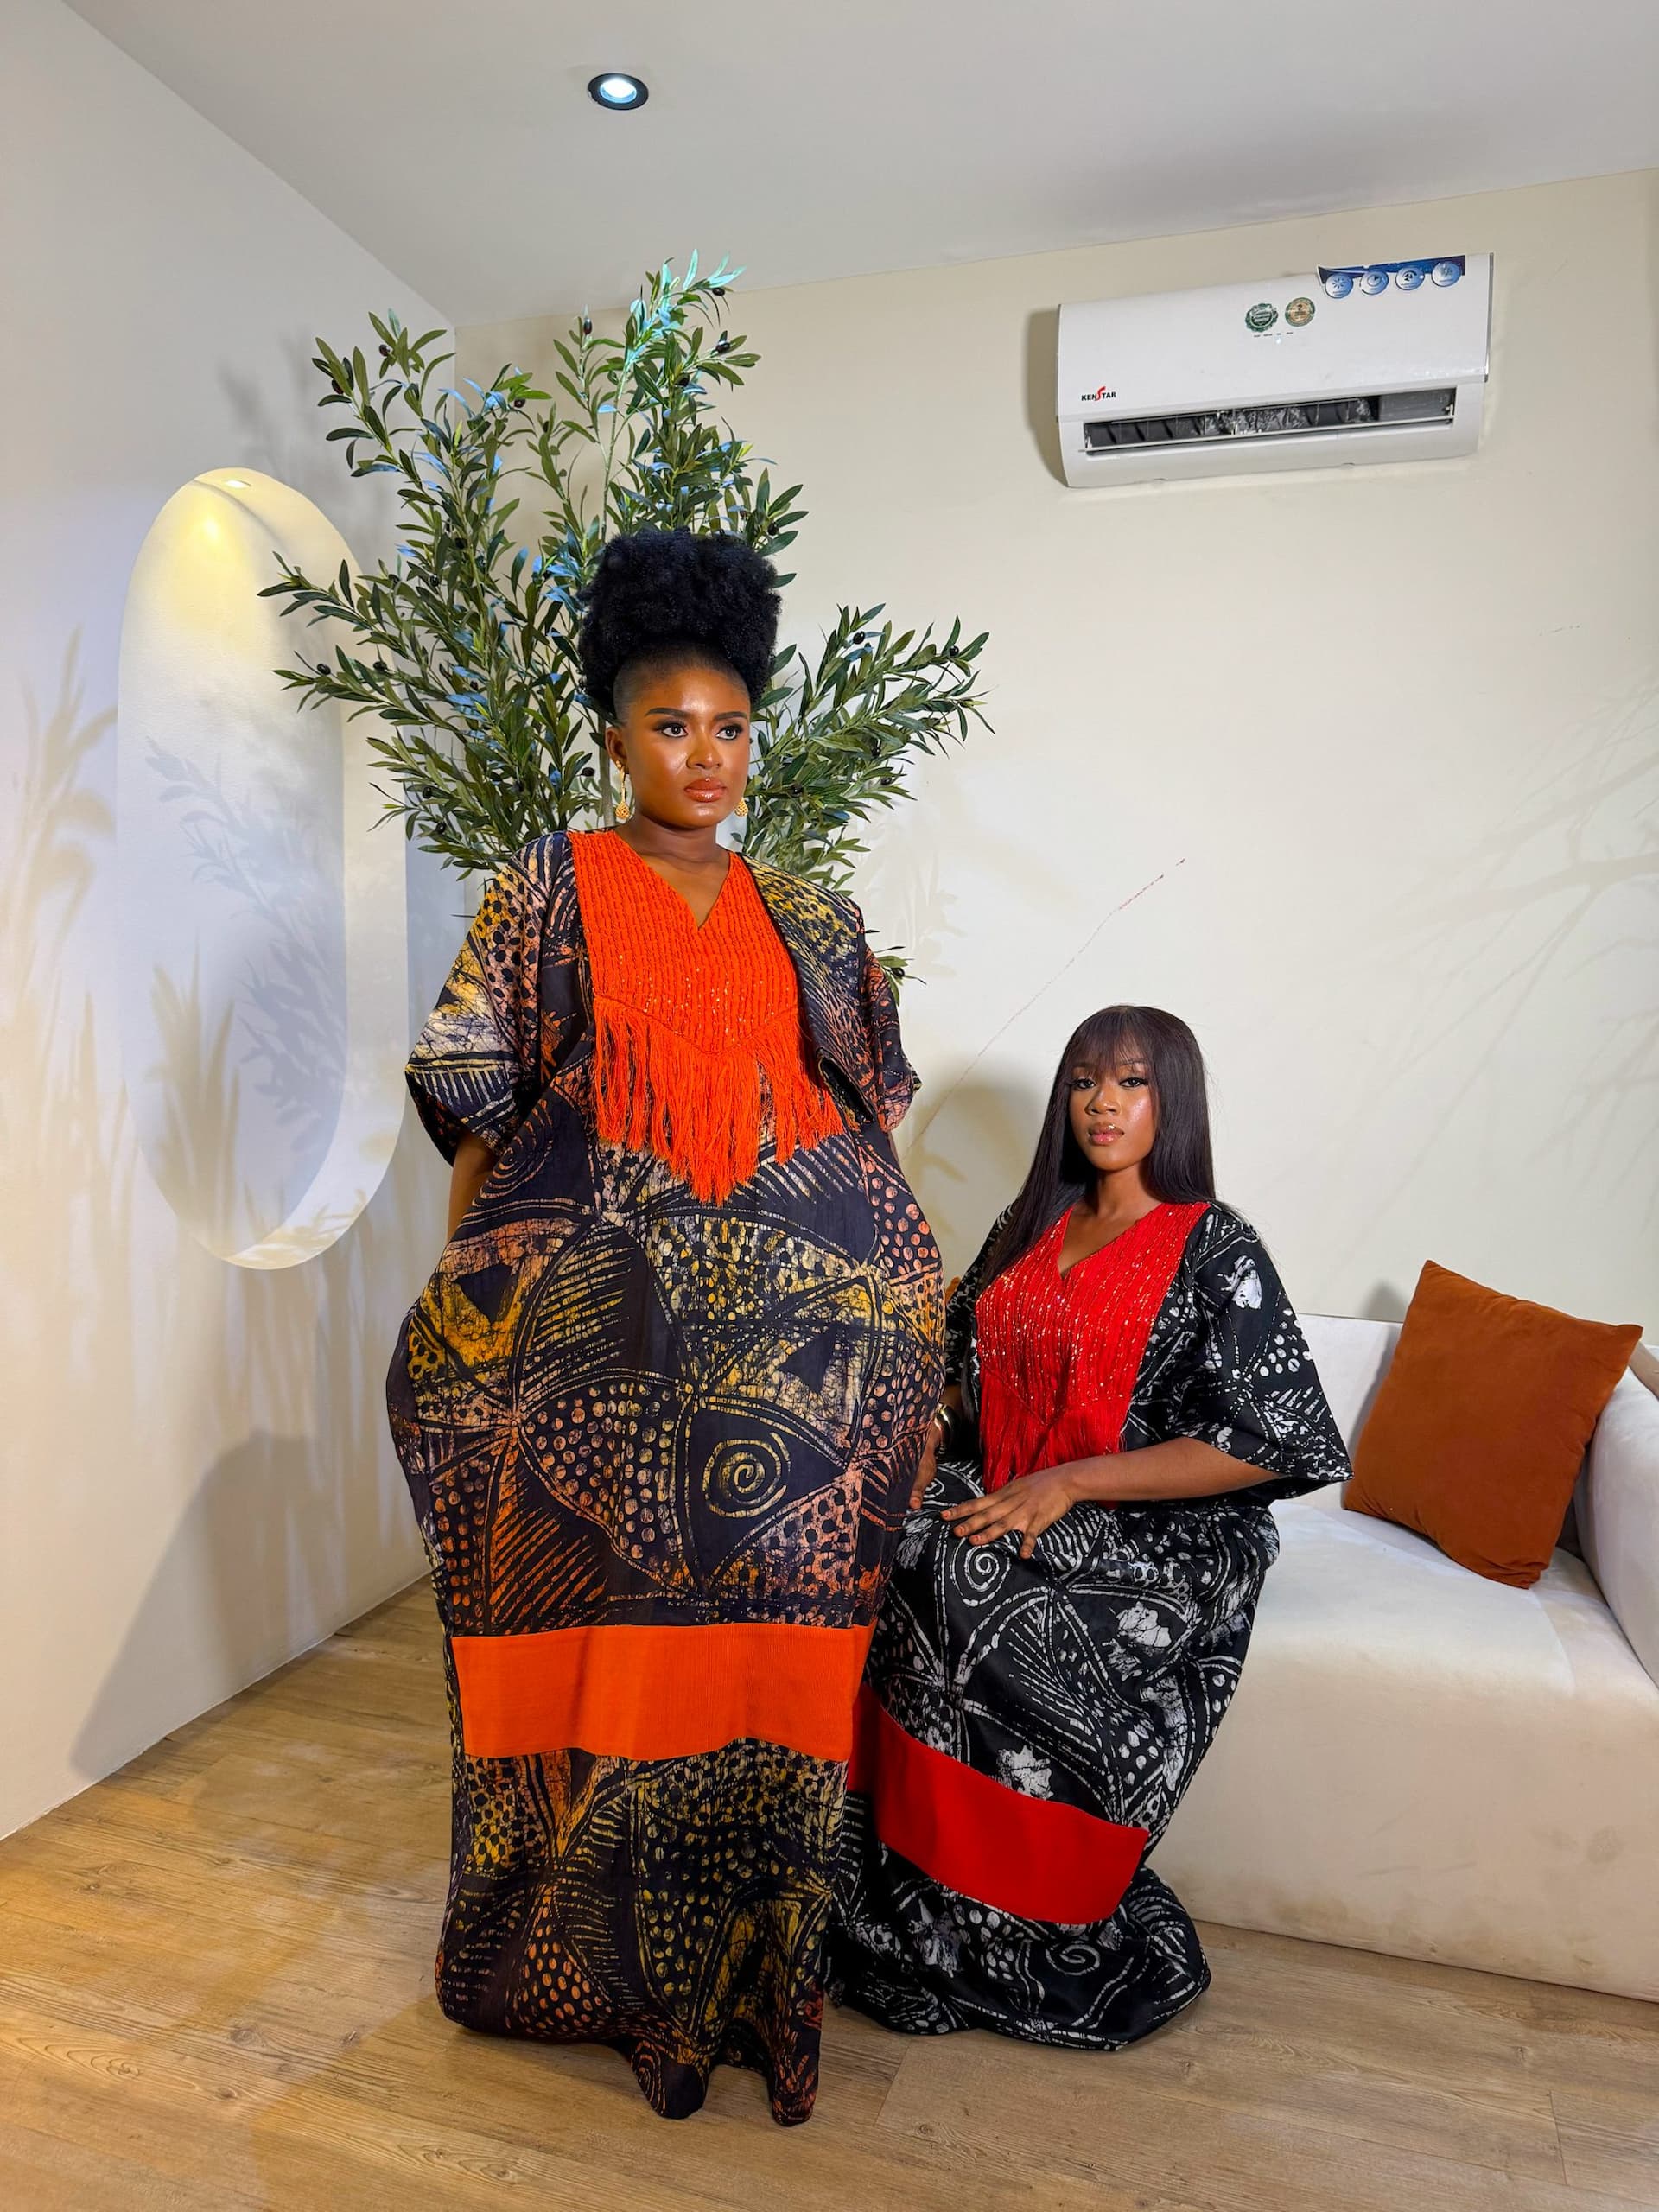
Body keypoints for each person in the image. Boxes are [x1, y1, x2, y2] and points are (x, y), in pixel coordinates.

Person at [386, 527, 943, 2124]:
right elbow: (483, 1109)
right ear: (615, 738)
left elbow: (867, 1131)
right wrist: (466, 1300)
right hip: (604, 1369)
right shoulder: (544, 887)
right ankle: (590, 1973)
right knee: (605, 1666)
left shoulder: (816, 916)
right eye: (671, 725)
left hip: (791, 1394)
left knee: (773, 1675)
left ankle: (758, 1987)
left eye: (732, 727)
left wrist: (897, 1299)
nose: (707, 757)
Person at [832, 1005, 1348, 2048]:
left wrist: (1073, 1481)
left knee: (967, 1581)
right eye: (1084, 1081)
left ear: (1172, 1100)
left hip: (1154, 1530)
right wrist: (926, 1430)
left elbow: (1274, 1437)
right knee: (868, 1532)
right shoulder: (1029, 1223)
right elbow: (961, 1372)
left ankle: (1019, 1917)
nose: (1103, 1103)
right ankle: (897, 1895)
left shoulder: (1217, 1245)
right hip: (1007, 1485)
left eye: (1132, 1082)